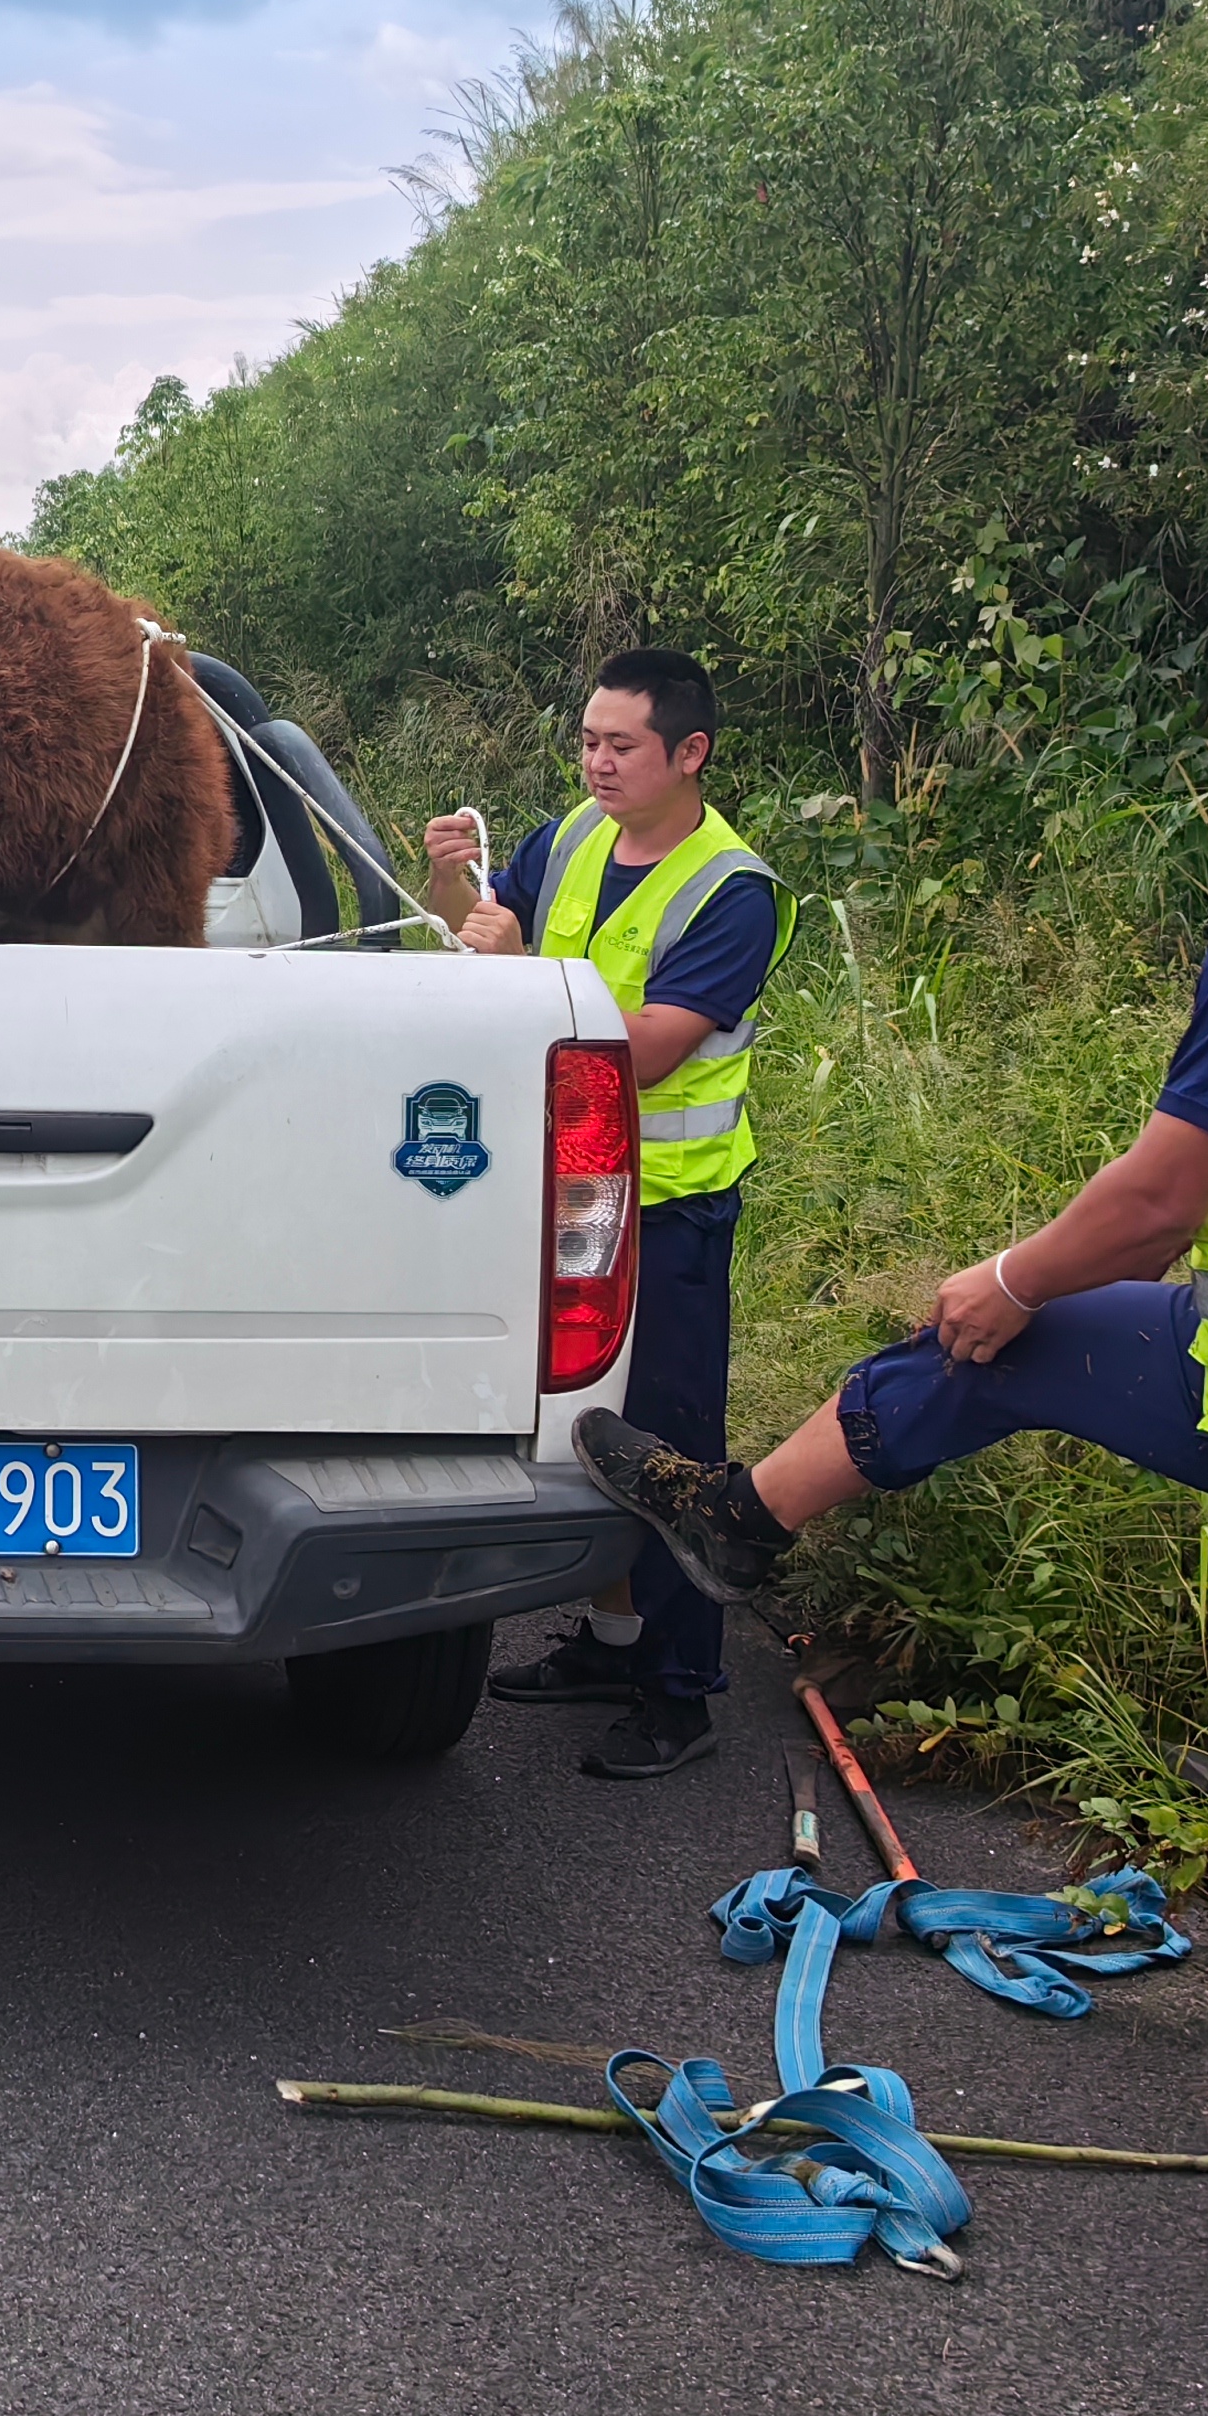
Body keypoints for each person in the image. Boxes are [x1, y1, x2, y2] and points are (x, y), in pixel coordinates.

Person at [576, 507, 1208, 2283]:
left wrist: (1012, 1264)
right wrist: (1012, 1303)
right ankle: (741, 1520)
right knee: (999, 1350)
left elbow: (1160, 1198)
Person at [420, 648, 786, 1783]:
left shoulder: (734, 890)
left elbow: (653, 1045)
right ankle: (611, 1644)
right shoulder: (571, 835)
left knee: (667, 1445)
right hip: (545, 1197)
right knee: (570, 1431)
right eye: (586, 740)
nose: (596, 762)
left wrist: (518, 973)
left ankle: (681, 1694)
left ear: (690, 754)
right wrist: (453, 897)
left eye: (620, 745)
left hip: (666, 1215)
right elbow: (485, 932)